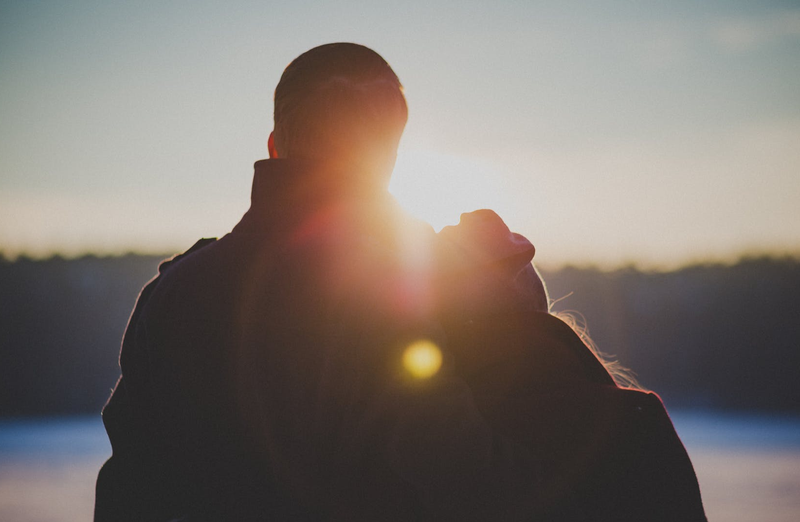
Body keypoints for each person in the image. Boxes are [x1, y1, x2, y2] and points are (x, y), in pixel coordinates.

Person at [95, 42, 706, 521]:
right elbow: (463, 474)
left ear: (276, 144)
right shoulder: (402, 284)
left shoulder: (174, 294)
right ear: (390, 150)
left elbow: (129, 488)